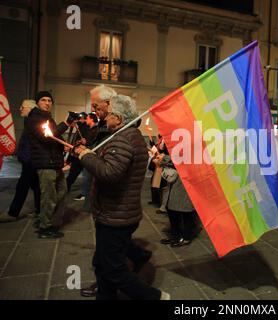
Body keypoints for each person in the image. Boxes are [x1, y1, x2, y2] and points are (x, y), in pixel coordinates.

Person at [74, 94, 169, 300]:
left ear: (118, 118)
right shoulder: (129, 136)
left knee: (113, 271)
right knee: (102, 264)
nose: (105, 119)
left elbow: (110, 173)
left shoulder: (123, 139)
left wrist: (86, 156)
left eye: (108, 116)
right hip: (116, 212)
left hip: (115, 215)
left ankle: (156, 297)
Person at [27, 91, 71, 238]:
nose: (47, 103)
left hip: (54, 162)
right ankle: (45, 227)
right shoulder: (34, 119)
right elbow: (47, 138)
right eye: (43, 100)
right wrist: (65, 124)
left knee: (61, 192)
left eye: (49, 100)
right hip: (45, 163)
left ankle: (46, 220)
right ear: (37, 102)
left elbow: (53, 140)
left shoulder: (47, 118)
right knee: (49, 196)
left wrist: (61, 147)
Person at [0, 100, 41, 223]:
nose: (20, 109)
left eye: (22, 107)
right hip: (30, 159)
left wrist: (25, 157)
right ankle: (40, 211)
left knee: (22, 187)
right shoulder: (30, 119)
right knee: (36, 186)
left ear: (30, 108)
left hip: (30, 160)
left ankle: (13, 213)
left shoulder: (32, 120)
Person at [158, 154, 197, 247]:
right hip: (176, 188)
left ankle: (185, 238)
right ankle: (175, 236)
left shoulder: (193, 154)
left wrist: (164, 158)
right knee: (173, 213)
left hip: (184, 186)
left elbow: (170, 160)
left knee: (186, 214)